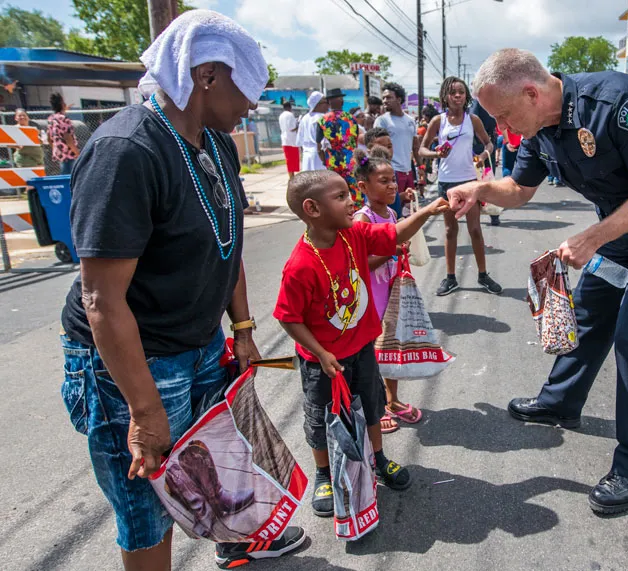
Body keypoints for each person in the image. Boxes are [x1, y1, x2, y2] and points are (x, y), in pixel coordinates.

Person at [58, 10, 305, 571]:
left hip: (199, 346)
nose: (254, 104)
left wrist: (242, 329)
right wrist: (143, 412)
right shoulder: (126, 151)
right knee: (149, 504)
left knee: (215, 463)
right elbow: (102, 300)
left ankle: (235, 539)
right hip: (135, 362)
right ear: (208, 75)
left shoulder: (216, 143)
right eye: (250, 87)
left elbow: (228, 243)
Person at [449, 48, 628, 515]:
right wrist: (481, 188)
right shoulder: (538, 127)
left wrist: (592, 237)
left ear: (532, 92)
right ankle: (560, 402)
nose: (506, 130)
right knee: (589, 314)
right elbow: (521, 189)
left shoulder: (617, 102)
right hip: (620, 228)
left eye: (506, 116)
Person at [273, 170, 449, 517]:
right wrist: (321, 353)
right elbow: (288, 317)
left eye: (347, 193)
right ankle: (324, 474)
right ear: (312, 209)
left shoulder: (352, 234)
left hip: (362, 348)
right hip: (322, 362)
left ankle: (378, 458)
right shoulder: (300, 266)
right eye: (339, 197)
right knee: (322, 418)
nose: (351, 200)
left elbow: (392, 233)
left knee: (371, 407)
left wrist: (426, 212)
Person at [352, 146, 423, 434]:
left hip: (392, 291)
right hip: (373, 297)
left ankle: (392, 400)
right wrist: (391, 250)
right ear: (363, 187)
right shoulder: (363, 219)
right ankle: (376, 406)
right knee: (373, 354)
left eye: (393, 179)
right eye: (384, 181)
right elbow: (362, 264)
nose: (393, 185)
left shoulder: (392, 215)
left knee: (392, 348)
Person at [419, 76, 502, 297]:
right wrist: (436, 153)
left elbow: (489, 142)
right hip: (447, 182)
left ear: (466, 96)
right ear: (445, 96)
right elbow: (422, 150)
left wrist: (484, 154)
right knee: (450, 230)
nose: (458, 96)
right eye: (453, 92)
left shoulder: (472, 120)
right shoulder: (438, 121)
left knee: (475, 229)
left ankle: (483, 275)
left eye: (461, 92)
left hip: (469, 181)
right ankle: (450, 278)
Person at [375, 83, 419, 218]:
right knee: (391, 210)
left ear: (399, 99)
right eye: (383, 98)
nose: (384, 101)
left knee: (410, 208)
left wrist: (420, 167)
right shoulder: (381, 121)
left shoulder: (410, 121)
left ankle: (407, 237)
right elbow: (376, 148)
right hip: (391, 171)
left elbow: (415, 146)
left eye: (388, 97)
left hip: (408, 171)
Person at [316, 87, 362, 208]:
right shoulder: (352, 119)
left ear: (329, 102)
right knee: (356, 193)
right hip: (351, 163)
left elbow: (318, 146)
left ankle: (337, 220)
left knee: (335, 194)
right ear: (342, 101)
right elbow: (355, 142)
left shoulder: (322, 120)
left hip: (333, 163)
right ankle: (358, 220)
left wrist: (324, 161)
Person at [470, 98, 502, 226]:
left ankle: (483, 213)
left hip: (478, 147)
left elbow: (473, 121)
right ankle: (493, 215)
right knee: (488, 180)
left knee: (477, 181)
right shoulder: (493, 99)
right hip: (489, 145)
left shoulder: (477, 102)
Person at [47, 92, 80, 174]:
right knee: (72, 179)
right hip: (69, 154)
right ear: (62, 104)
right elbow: (68, 138)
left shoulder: (51, 119)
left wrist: (57, 148)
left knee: (64, 177)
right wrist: (77, 152)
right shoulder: (64, 119)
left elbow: (49, 138)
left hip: (60, 155)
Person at [298, 91, 327, 172]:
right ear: (317, 104)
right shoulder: (323, 118)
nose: (328, 105)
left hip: (307, 157)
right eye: (325, 102)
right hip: (320, 157)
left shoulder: (304, 118)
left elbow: (299, 142)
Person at [279, 100, 300, 179]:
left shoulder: (281, 116)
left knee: (288, 160)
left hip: (285, 140)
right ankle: (292, 178)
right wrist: (298, 125)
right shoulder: (290, 115)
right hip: (292, 141)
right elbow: (292, 128)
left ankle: (291, 177)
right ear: (290, 107)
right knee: (293, 160)